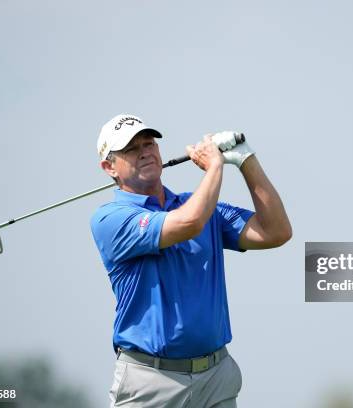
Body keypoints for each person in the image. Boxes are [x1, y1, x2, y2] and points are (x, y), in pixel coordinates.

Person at [90, 113, 292, 408]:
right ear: (109, 167)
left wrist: (246, 160)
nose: (145, 151)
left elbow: (276, 231)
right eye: (131, 149)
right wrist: (214, 168)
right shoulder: (109, 219)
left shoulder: (198, 205)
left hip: (216, 378)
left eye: (149, 143)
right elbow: (189, 223)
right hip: (151, 381)